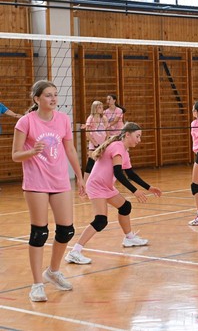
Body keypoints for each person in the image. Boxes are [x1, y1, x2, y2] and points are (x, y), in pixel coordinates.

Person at [11, 80, 86, 302]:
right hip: (36, 183)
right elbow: (15, 155)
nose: (53, 99)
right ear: (37, 99)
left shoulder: (63, 119)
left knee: (66, 231)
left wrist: (80, 177)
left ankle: (53, 271)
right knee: (40, 233)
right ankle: (36, 284)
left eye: (55, 95)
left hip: (60, 181)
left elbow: (70, 149)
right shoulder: (26, 122)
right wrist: (32, 151)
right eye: (48, 95)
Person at [65, 122, 161, 265]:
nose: (139, 140)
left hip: (106, 186)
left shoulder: (124, 151)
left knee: (125, 207)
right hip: (97, 186)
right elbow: (118, 173)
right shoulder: (117, 147)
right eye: (137, 136)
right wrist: (135, 191)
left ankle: (129, 238)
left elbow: (130, 174)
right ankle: (75, 252)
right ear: (127, 134)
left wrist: (149, 187)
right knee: (101, 221)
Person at [81, 100, 108, 182]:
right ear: (95, 108)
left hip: (102, 144)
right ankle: (85, 184)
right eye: (99, 107)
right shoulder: (90, 118)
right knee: (91, 163)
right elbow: (87, 134)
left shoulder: (104, 118)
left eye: (102, 107)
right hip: (94, 145)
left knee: (103, 164)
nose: (101, 109)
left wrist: (105, 143)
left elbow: (107, 133)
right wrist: (95, 144)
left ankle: (101, 182)